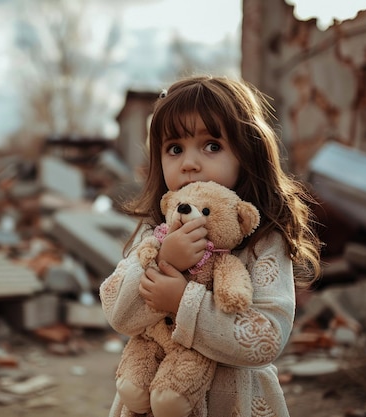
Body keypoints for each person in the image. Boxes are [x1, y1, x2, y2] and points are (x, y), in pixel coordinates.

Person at [100, 74, 322, 417]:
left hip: (234, 402)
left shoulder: (263, 242)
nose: (189, 162)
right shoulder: (154, 234)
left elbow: (266, 339)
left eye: (212, 146)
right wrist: (164, 261)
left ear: (247, 152)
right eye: (175, 149)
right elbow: (118, 313)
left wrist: (182, 302)